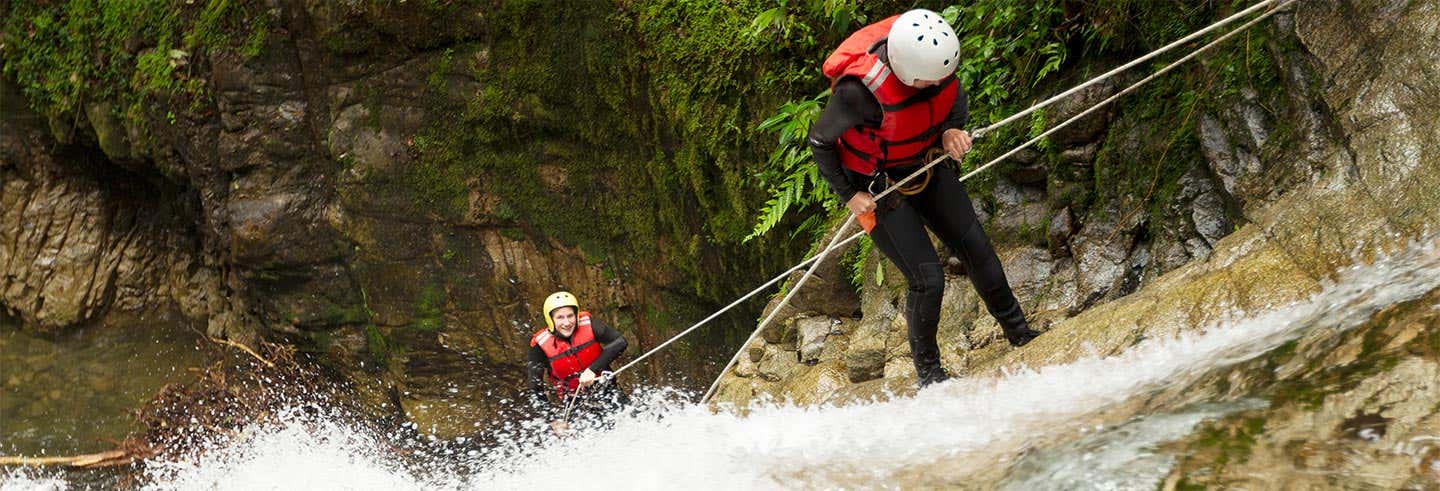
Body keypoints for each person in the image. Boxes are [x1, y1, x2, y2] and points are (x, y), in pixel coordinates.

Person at [807, 9, 1042, 388]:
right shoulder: (858, 93)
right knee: (928, 279)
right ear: (904, 69)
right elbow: (820, 142)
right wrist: (849, 195)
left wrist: (952, 131)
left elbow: (954, 100)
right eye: (927, 81)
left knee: (976, 248)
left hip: (924, 164)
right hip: (876, 186)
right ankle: (929, 376)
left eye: (940, 78)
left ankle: (1019, 333)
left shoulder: (939, 70)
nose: (935, 85)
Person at [527, 291, 629, 434]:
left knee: (631, 424)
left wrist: (592, 369)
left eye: (570, 316)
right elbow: (535, 387)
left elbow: (620, 342)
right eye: (560, 317)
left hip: (608, 392)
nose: (567, 322)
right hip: (576, 405)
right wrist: (552, 419)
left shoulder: (591, 325)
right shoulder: (539, 347)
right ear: (551, 320)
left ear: (576, 315)